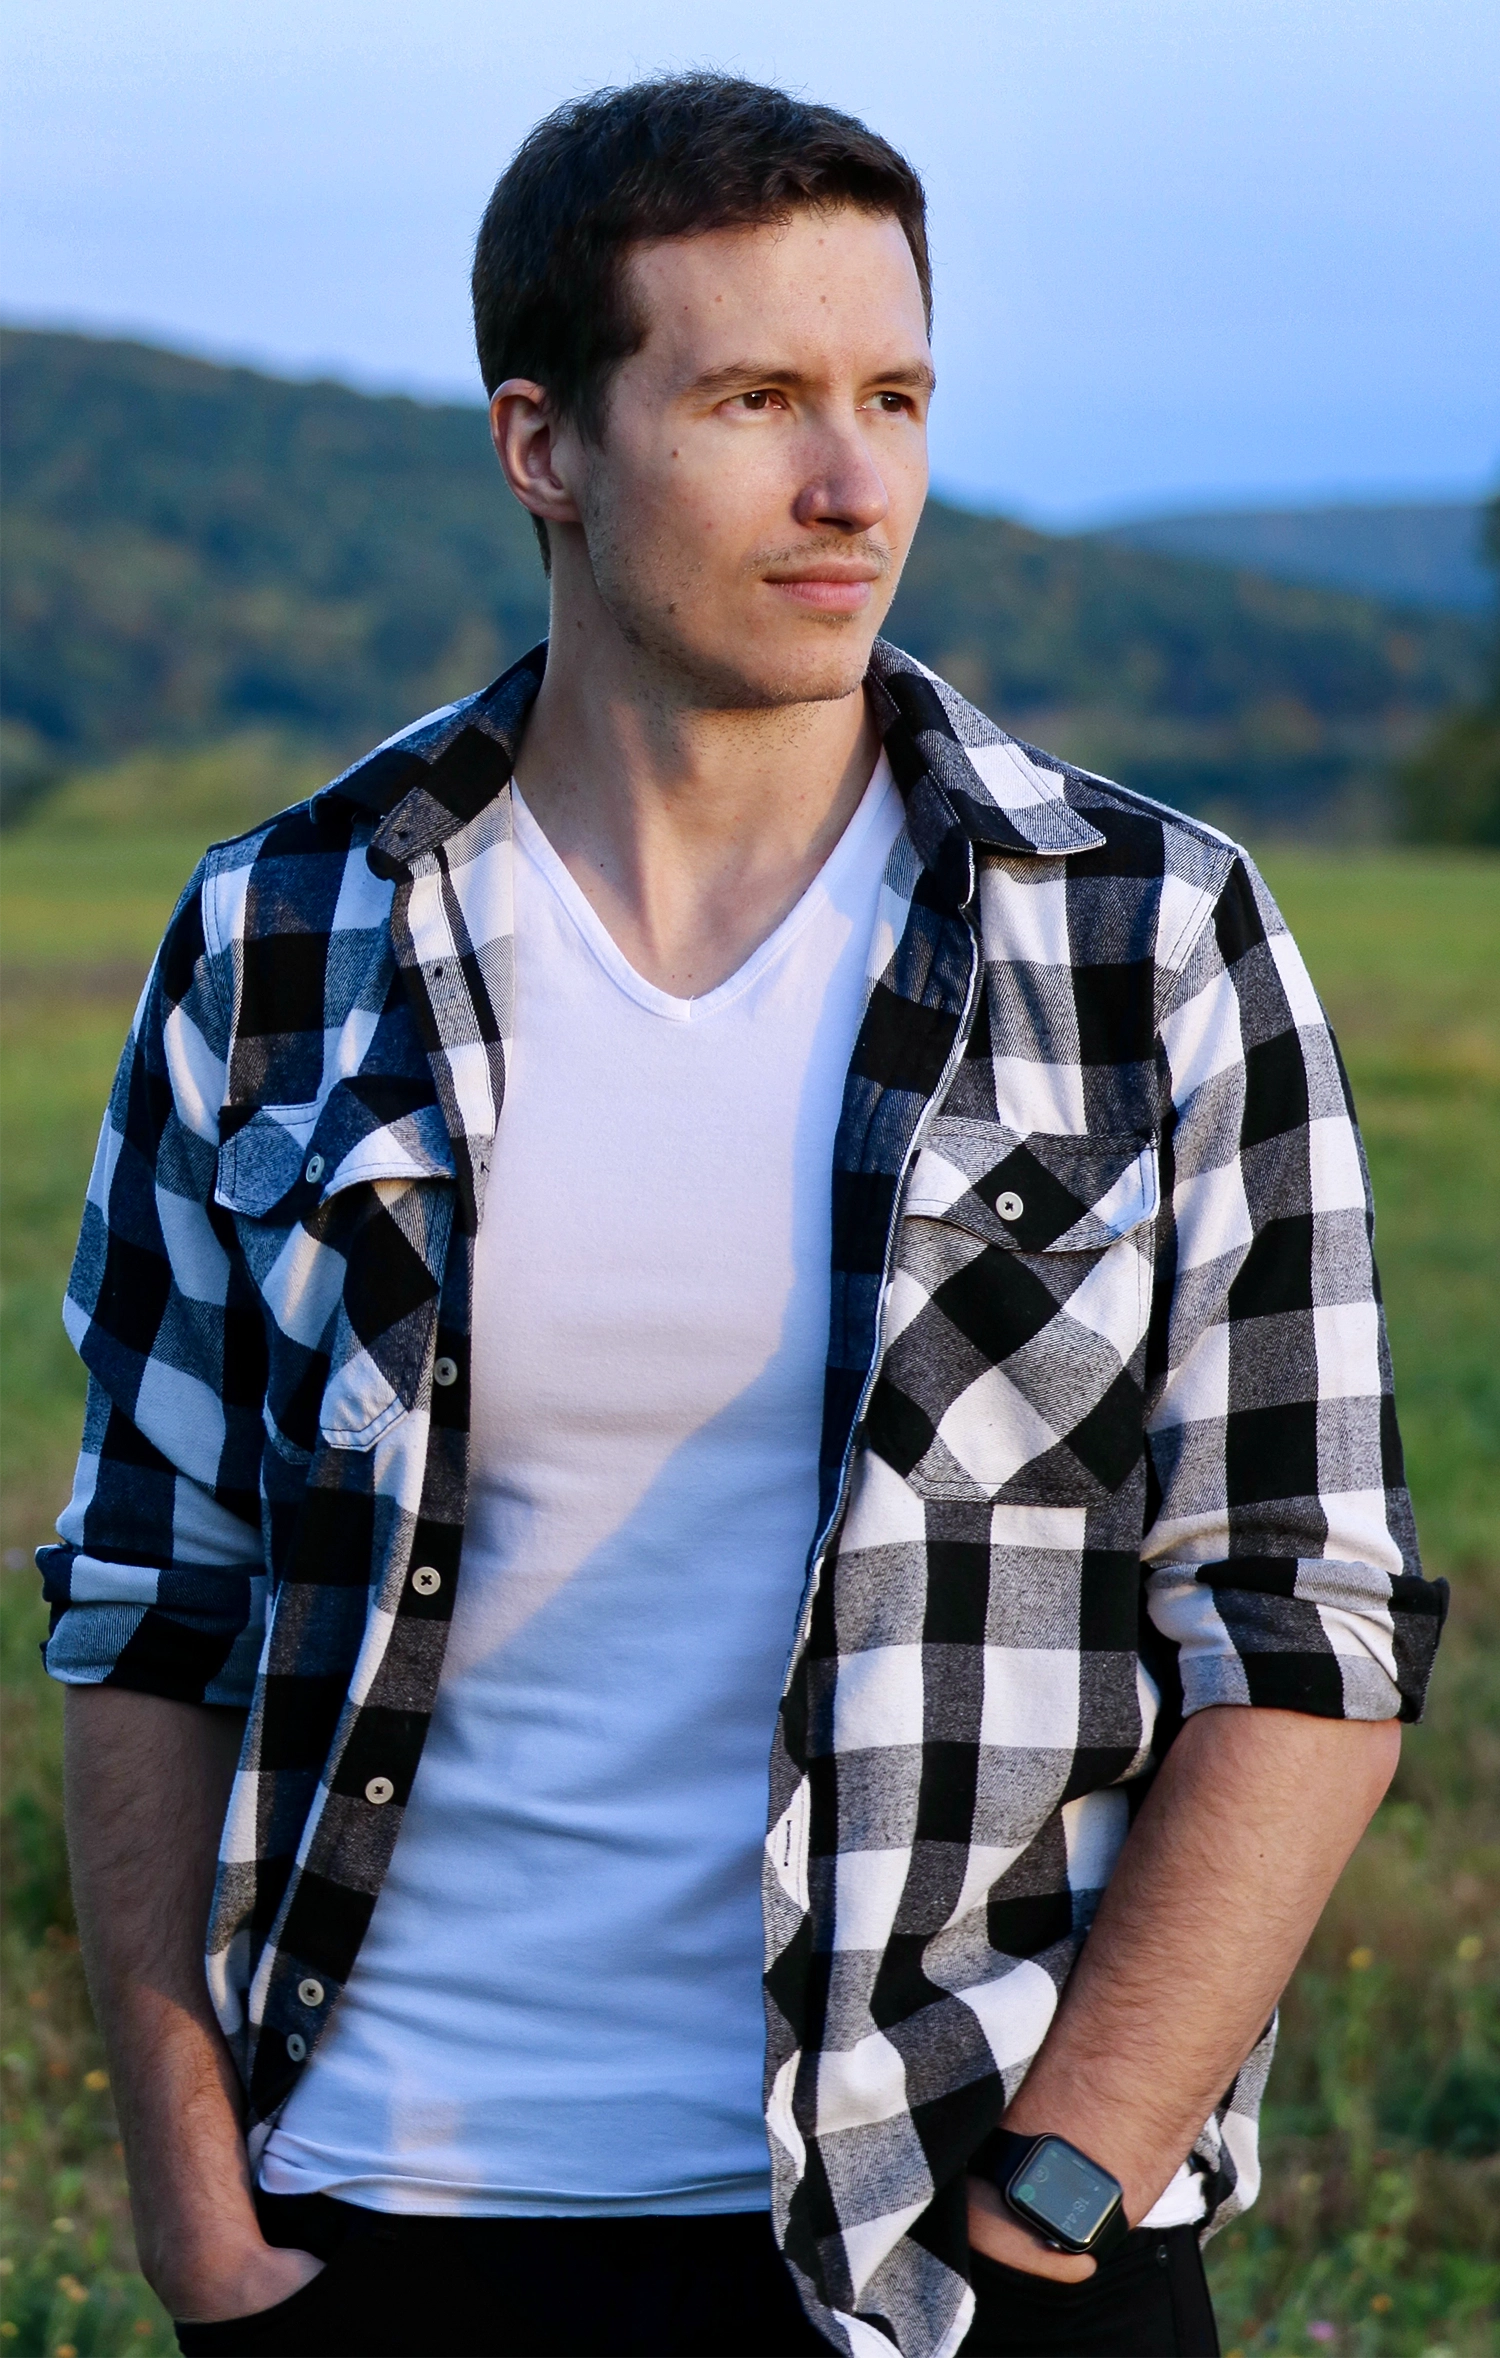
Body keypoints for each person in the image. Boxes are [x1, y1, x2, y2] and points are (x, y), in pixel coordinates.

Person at [42, 72, 1446, 2358]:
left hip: (961, 2235)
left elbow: (1308, 1617)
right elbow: (152, 1598)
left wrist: (1075, 2174)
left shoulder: (1145, 938)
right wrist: (198, 2211)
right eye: (758, 400)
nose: (854, 485)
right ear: (545, 445)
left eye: (895, 397)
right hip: (388, 2221)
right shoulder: (286, 937)